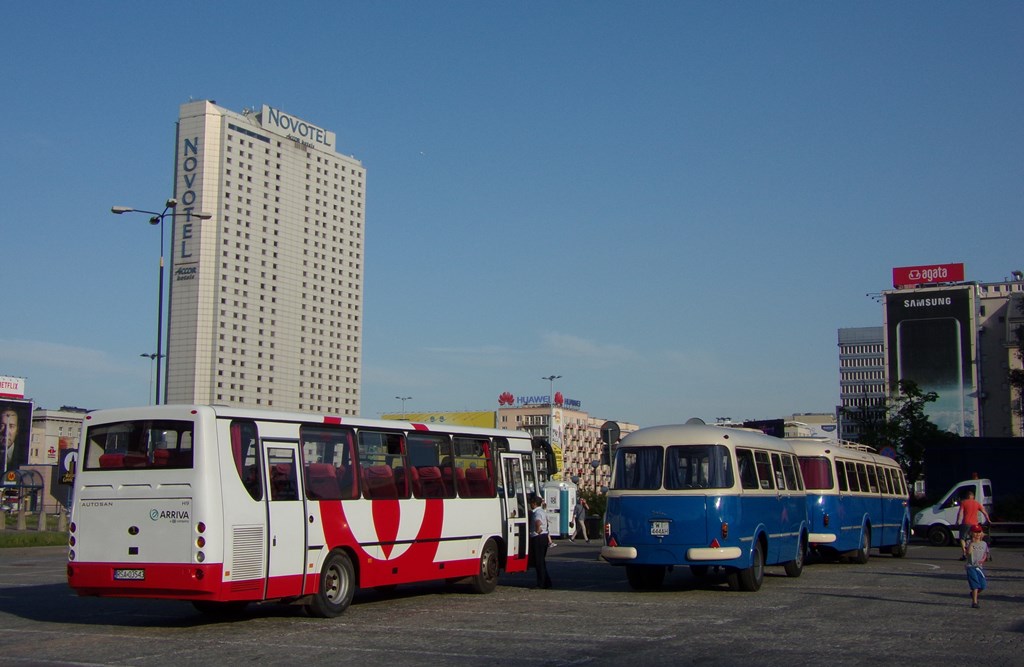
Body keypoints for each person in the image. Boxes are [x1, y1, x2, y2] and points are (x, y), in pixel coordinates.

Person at [955, 489, 991, 560]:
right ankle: (979, 554)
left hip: (966, 523)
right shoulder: (977, 503)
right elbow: (984, 512)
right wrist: (988, 520)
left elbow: (960, 513)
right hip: (975, 524)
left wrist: (958, 521)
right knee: (975, 538)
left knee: (962, 538)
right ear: (972, 496)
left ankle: (964, 554)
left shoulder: (964, 503)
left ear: (967, 496)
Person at [529, 494, 552, 589]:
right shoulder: (542, 511)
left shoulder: (536, 513)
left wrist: (538, 529)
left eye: (531, 503)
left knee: (539, 562)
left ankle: (541, 583)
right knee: (541, 561)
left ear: (534, 503)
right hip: (544, 537)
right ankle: (547, 582)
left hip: (538, 537)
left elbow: (538, 522)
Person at [964, 524, 989, 608]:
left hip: (979, 567)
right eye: (975, 532)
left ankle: (973, 594)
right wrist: (972, 543)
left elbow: (985, 553)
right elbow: (968, 553)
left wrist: (983, 559)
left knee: (983, 585)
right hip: (971, 566)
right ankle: (974, 602)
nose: (977, 534)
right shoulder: (969, 543)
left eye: (979, 532)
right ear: (971, 533)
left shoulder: (984, 544)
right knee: (975, 585)